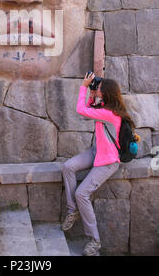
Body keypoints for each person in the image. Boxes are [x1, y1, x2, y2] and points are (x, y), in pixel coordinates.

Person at [61, 72, 135, 256]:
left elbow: (81, 110)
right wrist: (93, 94)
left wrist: (84, 87)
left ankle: (94, 241)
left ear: (107, 93)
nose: (97, 88)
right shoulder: (105, 108)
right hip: (96, 153)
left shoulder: (109, 114)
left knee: (81, 193)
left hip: (107, 162)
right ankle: (72, 211)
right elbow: (87, 110)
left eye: (100, 88)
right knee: (68, 167)